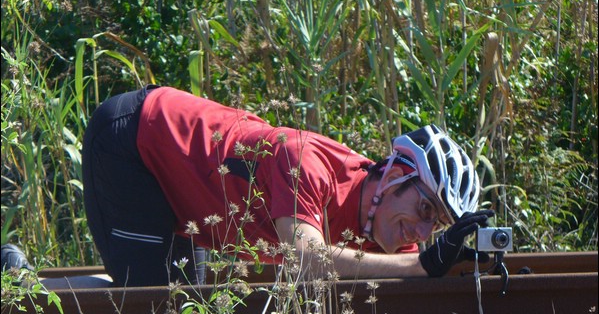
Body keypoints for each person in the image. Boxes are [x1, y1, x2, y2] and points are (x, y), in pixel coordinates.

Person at [81, 85, 494, 287]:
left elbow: (409, 282)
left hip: (187, 188)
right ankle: (19, 283)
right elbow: (305, 261)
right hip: (136, 142)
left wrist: (474, 274)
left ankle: (22, 281)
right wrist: (423, 266)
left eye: (436, 226)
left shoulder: (390, 231)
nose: (422, 235)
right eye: (425, 211)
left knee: (187, 312)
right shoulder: (307, 164)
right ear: (393, 178)